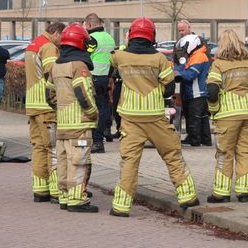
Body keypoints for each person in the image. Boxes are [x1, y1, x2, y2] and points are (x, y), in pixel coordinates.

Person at [109, 17, 199, 217]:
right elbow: (169, 88)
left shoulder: (119, 56)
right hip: (155, 116)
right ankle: (187, 196)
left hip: (130, 117)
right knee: (172, 154)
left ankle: (121, 206)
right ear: (152, 36)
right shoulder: (160, 59)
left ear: (132, 35)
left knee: (129, 161)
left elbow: (111, 71)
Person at [205, 29, 248, 203]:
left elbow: (212, 90)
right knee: (245, 152)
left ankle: (221, 193)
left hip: (227, 116)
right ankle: (243, 192)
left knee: (225, 154)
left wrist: (214, 109)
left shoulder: (219, 64)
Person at [53, 23, 100, 212]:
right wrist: (93, 113)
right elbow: (83, 93)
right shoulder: (79, 66)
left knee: (63, 161)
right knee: (78, 162)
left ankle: (64, 196)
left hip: (62, 123)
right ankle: (77, 199)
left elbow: (49, 94)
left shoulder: (57, 65)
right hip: (79, 123)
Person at [25, 21, 65, 203]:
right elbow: (52, 73)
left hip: (33, 105)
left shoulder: (33, 44)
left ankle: (40, 189)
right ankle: (56, 190)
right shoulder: (48, 47)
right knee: (53, 148)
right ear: (56, 33)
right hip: (46, 106)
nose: (62, 42)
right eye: (62, 38)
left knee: (39, 147)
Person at [174, 19, 212, 147]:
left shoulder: (198, 56)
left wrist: (177, 72)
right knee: (202, 116)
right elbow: (182, 65)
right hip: (196, 91)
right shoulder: (196, 54)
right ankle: (205, 139)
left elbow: (190, 74)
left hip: (196, 91)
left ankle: (195, 139)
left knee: (194, 116)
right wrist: (176, 68)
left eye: (182, 29)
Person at [84, 13, 115, 153]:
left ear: (89, 24)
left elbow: (85, 55)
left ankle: (97, 141)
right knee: (104, 107)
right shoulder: (109, 38)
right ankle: (106, 130)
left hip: (93, 77)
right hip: (106, 77)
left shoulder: (91, 39)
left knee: (94, 109)